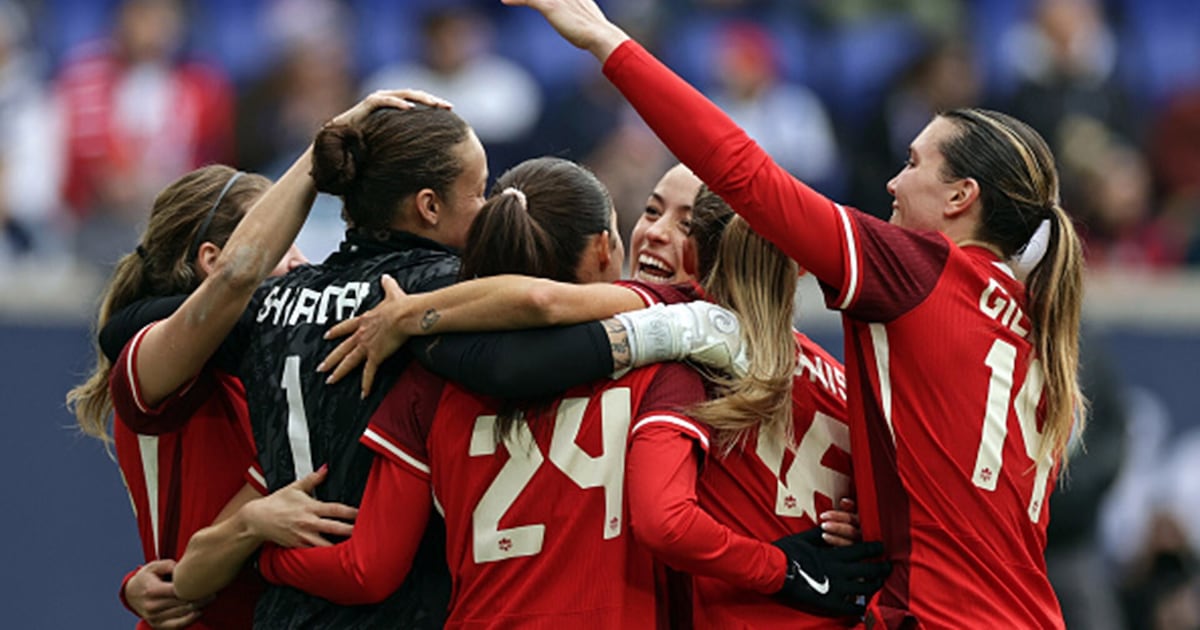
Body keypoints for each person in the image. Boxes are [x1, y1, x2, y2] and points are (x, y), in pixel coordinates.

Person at [506, 1, 1088, 628]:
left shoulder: (921, 271)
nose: (892, 183)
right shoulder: (1032, 324)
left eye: (915, 163)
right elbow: (958, 497)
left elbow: (746, 176)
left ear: (960, 196)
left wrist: (605, 41)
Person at [256, 156, 886, 627]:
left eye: (687, 222)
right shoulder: (696, 364)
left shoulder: (436, 377)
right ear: (605, 246)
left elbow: (369, 565)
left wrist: (249, 547)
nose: (658, 233)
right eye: (650, 209)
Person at [69, 90, 456, 629]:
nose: (301, 263)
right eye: (284, 243)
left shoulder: (276, 350)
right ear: (211, 258)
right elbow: (237, 277)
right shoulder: (147, 361)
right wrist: (324, 149)